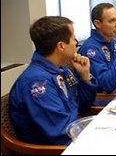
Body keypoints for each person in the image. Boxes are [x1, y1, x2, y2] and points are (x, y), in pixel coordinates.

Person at [9, 16, 97, 145]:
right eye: (74, 39)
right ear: (61, 46)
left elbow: (83, 106)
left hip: (73, 134)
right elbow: (61, 134)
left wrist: (84, 76)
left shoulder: (61, 70)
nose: (75, 44)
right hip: (56, 149)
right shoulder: (38, 83)